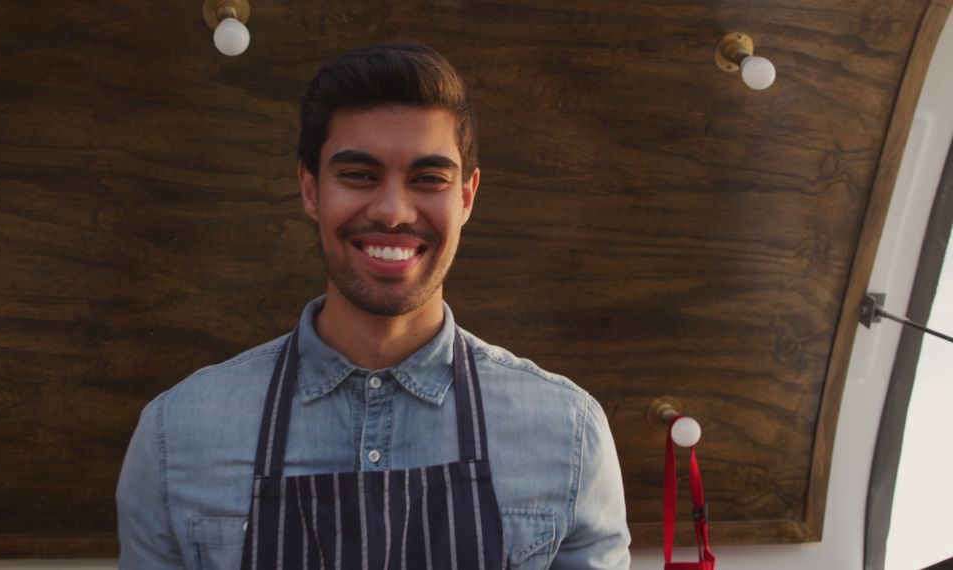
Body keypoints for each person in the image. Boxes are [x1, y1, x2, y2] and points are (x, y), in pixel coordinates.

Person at [116, 41, 630, 569]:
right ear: (311, 189)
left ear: (467, 197)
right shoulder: (176, 437)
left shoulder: (567, 432)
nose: (392, 212)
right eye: (359, 175)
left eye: (428, 179)